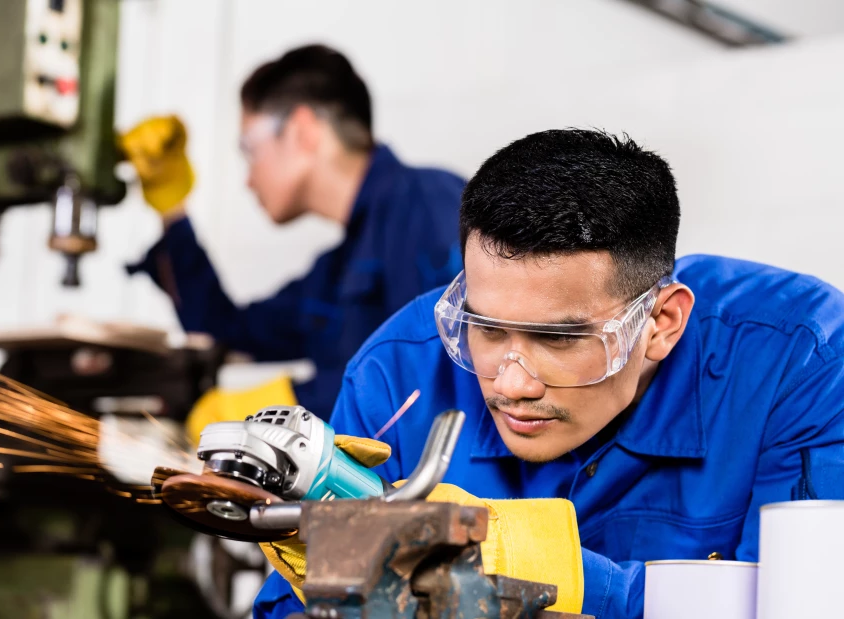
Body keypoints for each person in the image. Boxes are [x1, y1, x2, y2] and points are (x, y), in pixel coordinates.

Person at [252, 129, 844, 618]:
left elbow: (802, 606)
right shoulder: (397, 371)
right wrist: (329, 589)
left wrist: (550, 570)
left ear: (661, 323)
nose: (511, 385)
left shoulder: (799, 361)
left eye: (559, 339)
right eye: (486, 328)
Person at [122, 44, 464, 417]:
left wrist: (294, 403)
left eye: (249, 149)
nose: (249, 179)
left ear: (302, 131)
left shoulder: (430, 206)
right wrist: (173, 209)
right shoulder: (335, 274)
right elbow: (224, 331)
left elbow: (441, 370)